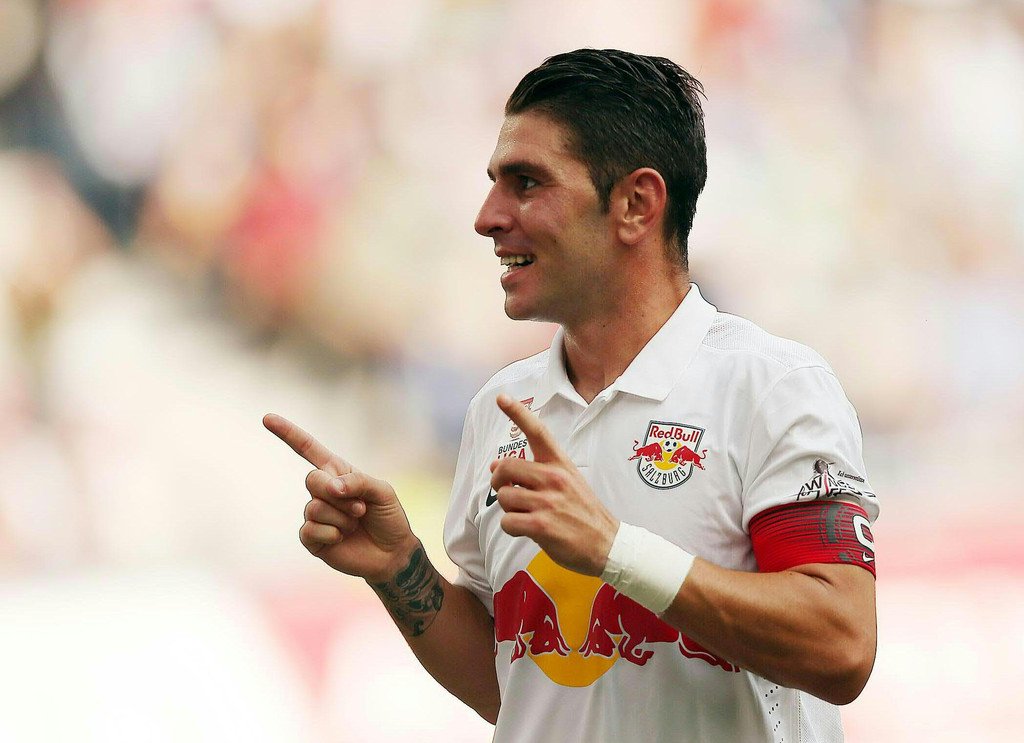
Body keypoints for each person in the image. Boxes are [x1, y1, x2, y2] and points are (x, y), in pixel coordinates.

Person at [264, 48, 879, 742]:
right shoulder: (500, 409)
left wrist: (615, 550)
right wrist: (399, 567)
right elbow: (513, 686)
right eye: (495, 184)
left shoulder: (769, 387)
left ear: (636, 205)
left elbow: (842, 645)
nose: (487, 217)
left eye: (526, 183)